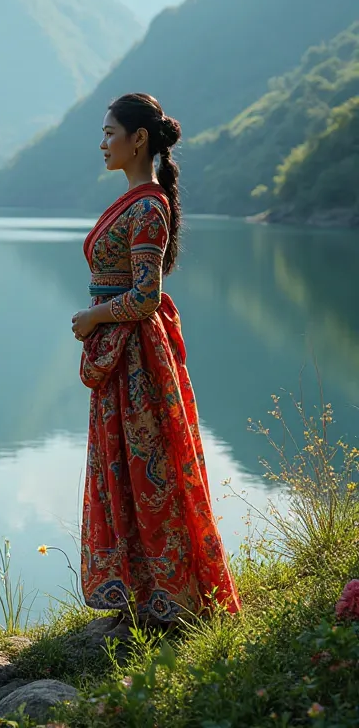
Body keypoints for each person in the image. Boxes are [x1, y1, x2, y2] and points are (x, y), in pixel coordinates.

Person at [71, 92, 241, 628]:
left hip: (137, 355)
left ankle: (169, 596)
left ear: (138, 138)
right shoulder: (135, 201)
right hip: (123, 353)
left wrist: (95, 318)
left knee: (147, 468)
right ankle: (142, 594)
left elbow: (146, 295)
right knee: (122, 463)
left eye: (109, 133)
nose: (102, 143)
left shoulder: (148, 207)